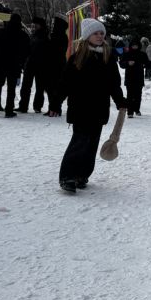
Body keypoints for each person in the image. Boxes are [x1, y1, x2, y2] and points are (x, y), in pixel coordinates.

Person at [57, 18, 126, 194]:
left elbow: (114, 84)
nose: (99, 36)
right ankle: (68, 176)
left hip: (99, 108)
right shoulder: (77, 57)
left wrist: (120, 101)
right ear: (87, 35)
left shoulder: (108, 57)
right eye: (96, 33)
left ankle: (82, 175)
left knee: (92, 143)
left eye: (102, 33)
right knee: (79, 141)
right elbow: (65, 82)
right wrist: (55, 102)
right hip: (80, 107)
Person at [0, 12, 30, 117]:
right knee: (11, 89)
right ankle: (9, 110)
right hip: (14, 65)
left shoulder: (1, 32)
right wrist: (20, 61)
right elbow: (27, 51)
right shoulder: (23, 35)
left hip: (0, 63)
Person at [17, 16, 49, 113]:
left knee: (37, 87)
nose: (33, 26)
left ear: (40, 25)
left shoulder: (43, 36)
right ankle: (27, 106)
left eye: (35, 24)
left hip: (38, 64)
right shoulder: (36, 35)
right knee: (29, 86)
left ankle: (34, 106)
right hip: (33, 64)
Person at [43, 15, 69, 117]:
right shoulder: (55, 35)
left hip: (56, 65)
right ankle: (52, 108)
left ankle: (55, 108)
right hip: (52, 64)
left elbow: (56, 51)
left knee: (55, 88)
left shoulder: (60, 36)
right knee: (50, 88)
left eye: (54, 24)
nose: (53, 25)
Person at [121, 38, 149, 117]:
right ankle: (130, 111)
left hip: (139, 77)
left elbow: (148, 63)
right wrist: (127, 63)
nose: (135, 47)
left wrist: (144, 64)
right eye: (133, 46)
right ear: (131, 46)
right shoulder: (127, 54)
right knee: (130, 95)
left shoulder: (142, 54)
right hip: (129, 77)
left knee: (138, 95)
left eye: (136, 46)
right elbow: (121, 64)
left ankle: (136, 109)